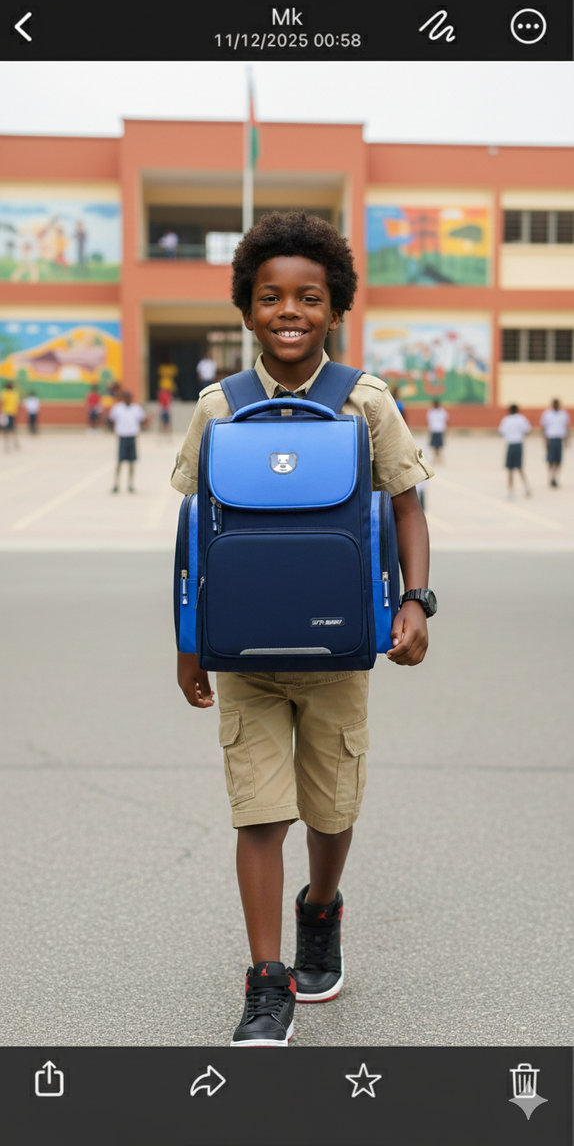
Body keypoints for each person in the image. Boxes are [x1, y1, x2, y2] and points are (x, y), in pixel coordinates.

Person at [172, 211, 435, 1047]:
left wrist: (416, 600)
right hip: (243, 652)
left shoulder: (364, 400)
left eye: (309, 297)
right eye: (271, 297)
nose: (290, 311)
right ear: (247, 309)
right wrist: (187, 638)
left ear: (335, 307)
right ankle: (267, 981)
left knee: (330, 808)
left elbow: (407, 504)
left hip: (339, 649)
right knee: (259, 814)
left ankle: (320, 909)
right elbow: (191, 527)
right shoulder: (221, 404)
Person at [109, 390, 147, 493]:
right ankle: (116, 483)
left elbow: (142, 420)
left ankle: (130, 484)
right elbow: (111, 419)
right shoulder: (118, 408)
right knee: (119, 462)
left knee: (131, 463)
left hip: (132, 436)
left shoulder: (136, 408)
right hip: (122, 436)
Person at [498, 403, 532, 498]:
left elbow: (501, 432)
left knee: (510, 469)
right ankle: (526, 487)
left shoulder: (506, 420)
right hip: (518, 444)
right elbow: (527, 431)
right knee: (519, 468)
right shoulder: (521, 419)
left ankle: (511, 491)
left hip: (511, 444)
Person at [540, 398, 570, 488]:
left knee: (558, 460)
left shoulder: (564, 414)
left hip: (559, 438)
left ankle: (556, 477)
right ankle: (551, 476)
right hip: (551, 438)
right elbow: (544, 427)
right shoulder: (547, 414)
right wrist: (545, 440)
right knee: (550, 460)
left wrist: (567, 440)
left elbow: (566, 427)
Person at [426, 399, 449, 464]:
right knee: (435, 446)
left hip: (439, 430)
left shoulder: (442, 412)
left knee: (439, 446)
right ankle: (436, 459)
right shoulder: (431, 412)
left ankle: (439, 459)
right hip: (435, 430)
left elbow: (445, 420)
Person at [1, 382, 20, 451]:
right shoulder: (14, 393)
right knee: (11, 428)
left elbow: (2, 401)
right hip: (10, 413)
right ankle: (14, 444)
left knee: (6, 429)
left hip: (7, 413)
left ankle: (8, 444)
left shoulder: (5, 392)